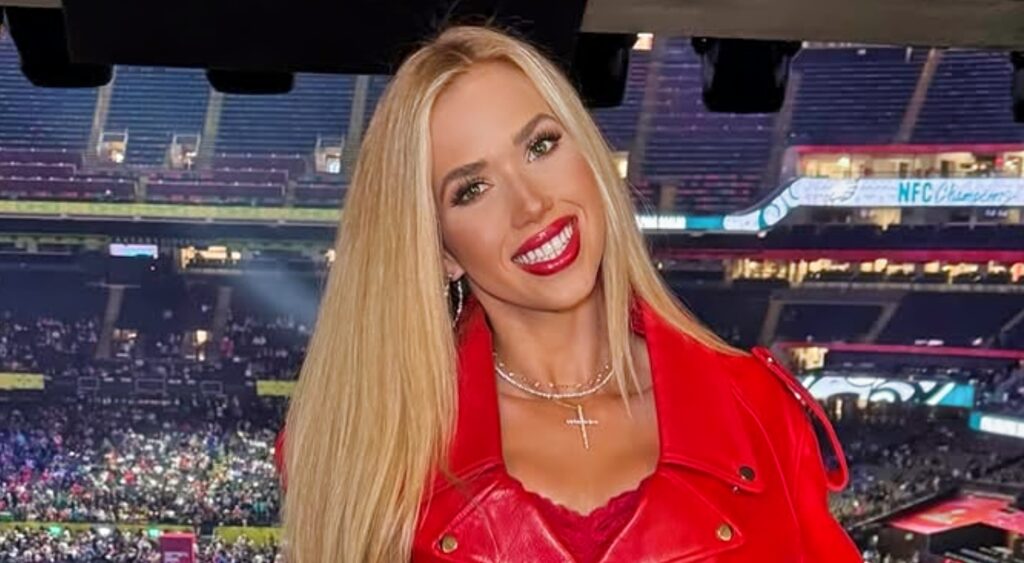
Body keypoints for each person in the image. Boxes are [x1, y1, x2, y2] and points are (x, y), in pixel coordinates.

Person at [276, 25, 862, 562]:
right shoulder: (365, 451)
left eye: (540, 146)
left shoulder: (757, 410)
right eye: (472, 189)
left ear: (589, 155)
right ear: (441, 250)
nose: (532, 205)